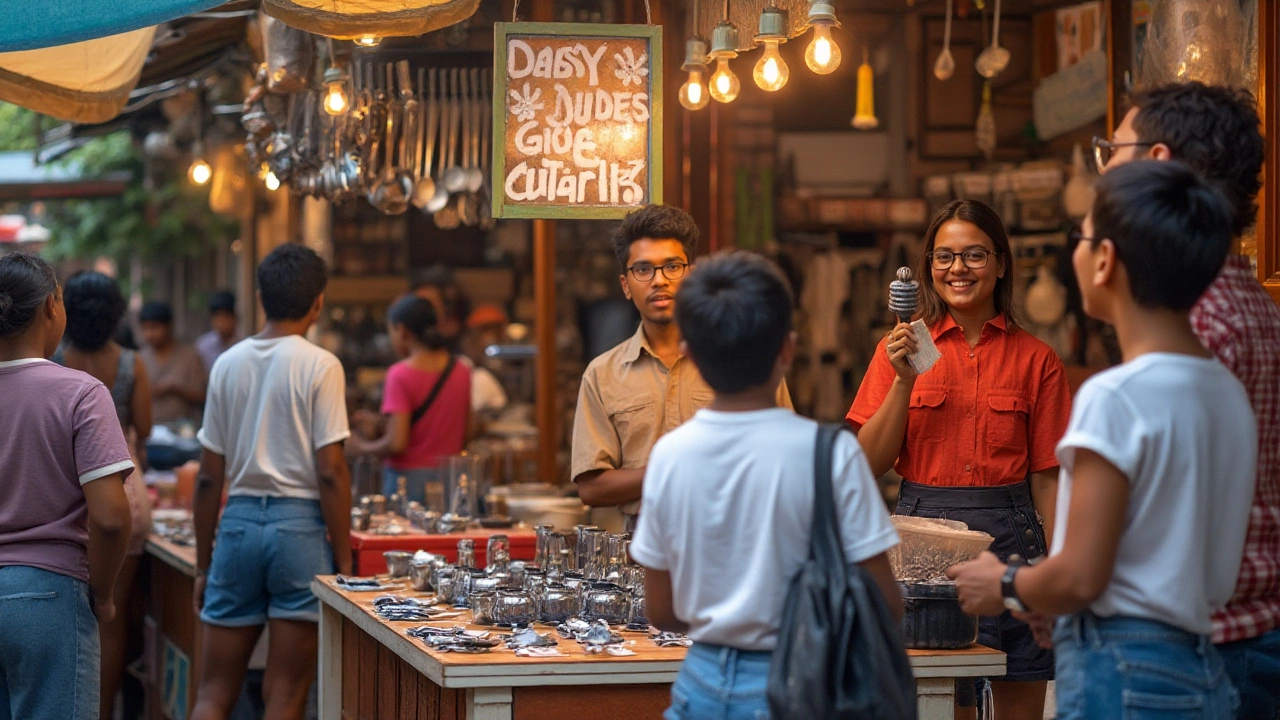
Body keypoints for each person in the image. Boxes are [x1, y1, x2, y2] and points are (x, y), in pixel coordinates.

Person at [949, 160, 1256, 719]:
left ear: (1106, 260)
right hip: (1200, 660)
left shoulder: (1114, 395)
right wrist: (1054, 599)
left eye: (1081, 237)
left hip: (1124, 665)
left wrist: (1009, 582)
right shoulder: (1228, 392)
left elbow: (1082, 573)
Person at [630, 252, 901, 719]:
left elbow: (663, 610)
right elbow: (885, 602)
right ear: (788, 349)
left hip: (701, 684)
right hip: (801, 684)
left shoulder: (669, 457)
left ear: (690, 354)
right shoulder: (831, 454)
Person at [1095, 81, 1280, 719]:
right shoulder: (1253, 304)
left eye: (1111, 152)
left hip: (1207, 640)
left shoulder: (1193, 322)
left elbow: (1160, 515)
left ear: (1157, 162)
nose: (1104, 172)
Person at [846, 199, 1071, 720]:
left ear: (1000, 262)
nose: (958, 269)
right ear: (927, 268)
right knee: (939, 704)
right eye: (943, 257)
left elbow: (1049, 482)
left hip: (1012, 542)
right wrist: (904, 381)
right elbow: (865, 464)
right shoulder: (900, 349)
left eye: (973, 254)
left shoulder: (1037, 359)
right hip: (922, 544)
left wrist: (1056, 578)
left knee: (1020, 697)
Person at [191, 244, 353, 720]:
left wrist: (204, 565)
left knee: (211, 696)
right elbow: (330, 470)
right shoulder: (321, 365)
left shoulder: (227, 364)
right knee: (284, 697)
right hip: (299, 531)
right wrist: (343, 561)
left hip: (237, 526)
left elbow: (206, 478)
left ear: (259, 296)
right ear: (318, 303)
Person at [572, 205, 792, 530]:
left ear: (691, 274)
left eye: (672, 266)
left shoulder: (745, 356)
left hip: (737, 534)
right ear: (625, 284)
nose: (659, 280)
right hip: (642, 547)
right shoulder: (602, 374)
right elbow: (591, 488)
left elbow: (787, 457)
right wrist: (671, 467)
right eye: (643, 269)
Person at [0, 253, 133, 720]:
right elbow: (113, 518)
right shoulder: (81, 393)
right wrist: (103, 594)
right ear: (51, 309)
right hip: (50, 597)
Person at [54, 271, 155, 720]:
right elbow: (145, 431)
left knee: (69, 620)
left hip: (65, 495)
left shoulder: (54, 361)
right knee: (110, 623)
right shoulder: (132, 364)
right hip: (123, 493)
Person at [349, 295, 471, 508]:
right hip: (452, 479)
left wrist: (360, 446)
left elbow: (396, 443)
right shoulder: (461, 370)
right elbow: (467, 430)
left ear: (402, 330)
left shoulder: (400, 374)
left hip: (408, 482)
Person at [139, 300, 207, 426]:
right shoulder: (140, 358)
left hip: (184, 432)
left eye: (154, 327)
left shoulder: (190, 356)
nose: (149, 334)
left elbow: (203, 396)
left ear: (169, 326)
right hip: (151, 431)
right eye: (145, 328)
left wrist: (175, 389)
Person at [195, 290, 242, 373]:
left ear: (234, 318)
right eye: (218, 318)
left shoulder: (243, 345)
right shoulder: (203, 347)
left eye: (225, 317)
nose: (221, 323)